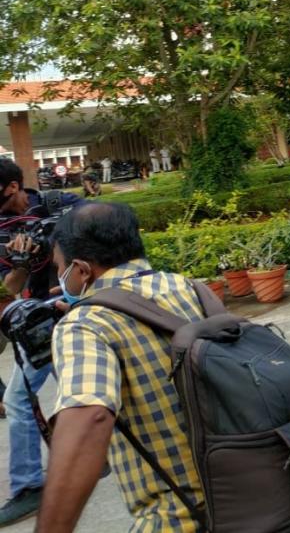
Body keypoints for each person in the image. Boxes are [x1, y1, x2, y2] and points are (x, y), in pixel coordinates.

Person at [37, 203, 204, 532]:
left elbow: (90, 418)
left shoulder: (86, 325)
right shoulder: (188, 287)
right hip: (243, 495)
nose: (60, 280)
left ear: (82, 270)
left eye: (60, 268)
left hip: (178, 517)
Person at [0, 159, 81, 526]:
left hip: (80, 309)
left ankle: (31, 486)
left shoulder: (57, 204)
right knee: (21, 398)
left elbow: (108, 232)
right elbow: (8, 291)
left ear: (12, 188)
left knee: (35, 396)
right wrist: (21, 261)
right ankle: (35, 481)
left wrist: (54, 243)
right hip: (40, 320)